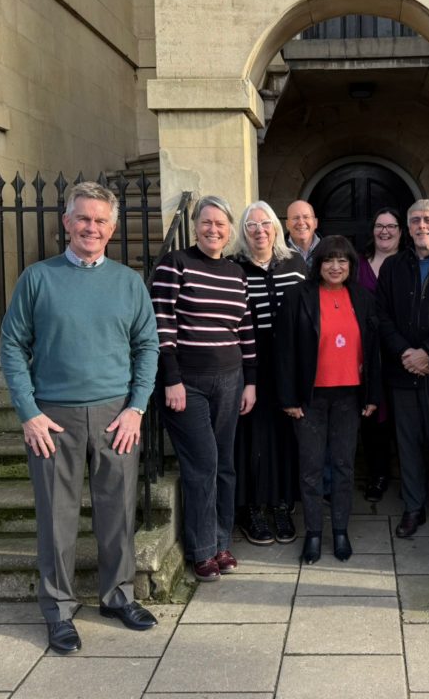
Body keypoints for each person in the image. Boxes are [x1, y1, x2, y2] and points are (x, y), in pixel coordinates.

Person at [0, 182, 160, 654]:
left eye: (101, 221)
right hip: (53, 417)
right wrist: (28, 413)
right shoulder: (37, 278)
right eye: (83, 219)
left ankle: (118, 596)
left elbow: (147, 346)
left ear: (112, 229)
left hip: (116, 415)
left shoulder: (129, 282)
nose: (92, 227)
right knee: (56, 517)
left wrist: (137, 407)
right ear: (67, 223)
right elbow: (12, 346)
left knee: (117, 513)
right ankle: (58, 609)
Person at [150, 195, 257, 583]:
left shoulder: (235, 272)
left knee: (225, 464)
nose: (214, 230)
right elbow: (162, 322)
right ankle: (201, 549)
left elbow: (244, 329)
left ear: (230, 231)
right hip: (188, 383)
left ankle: (221, 541)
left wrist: (251, 381)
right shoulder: (175, 265)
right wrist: (172, 377)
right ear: (195, 226)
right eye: (207, 222)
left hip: (231, 379)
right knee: (203, 463)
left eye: (221, 224)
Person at [275, 235, 381, 565]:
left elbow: (374, 351)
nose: (335, 267)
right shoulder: (297, 296)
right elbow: (284, 350)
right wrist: (288, 396)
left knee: (344, 466)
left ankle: (339, 531)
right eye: (328, 260)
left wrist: (373, 394)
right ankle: (313, 534)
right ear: (317, 264)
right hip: (309, 398)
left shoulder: (362, 298)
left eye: (342, 261)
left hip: (349, 396)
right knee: (310, 468)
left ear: (351, 266)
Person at [377, 199, 429, 544]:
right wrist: (405, 353)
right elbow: (381, 315)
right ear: (407, 228)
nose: (421, 226)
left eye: (428, 220)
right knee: (407, 444)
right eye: (415, 221)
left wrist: (428, 353)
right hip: (402, 371)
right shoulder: (393, 266)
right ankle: (413, 507)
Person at [231, 201, 308, 545]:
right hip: (248, 360)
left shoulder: (295, 262)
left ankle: (282, 503)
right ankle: (252, 508)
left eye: (265, 224)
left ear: (276, 228)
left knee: (285, 435)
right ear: (243, 232)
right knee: (251, 436)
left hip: (288, 361)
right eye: (251, 225)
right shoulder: (234, 267)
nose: (259, 230)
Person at [358, 206, 405, 502]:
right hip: (364, 351)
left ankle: (409, 478)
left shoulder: (407, 264)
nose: (384, 231)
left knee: (402, 417)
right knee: (371, 415)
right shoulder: (358, 264)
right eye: (379, 225)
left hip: (399, 351)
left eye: (391, 226)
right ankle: (377, 474)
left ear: (401, 231)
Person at [285, 199, 321, 266]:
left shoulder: (328, 249)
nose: (301, 222)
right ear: (287, 224)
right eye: (295, 218)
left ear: (315, 223)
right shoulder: (277, 252)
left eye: (306, 217)